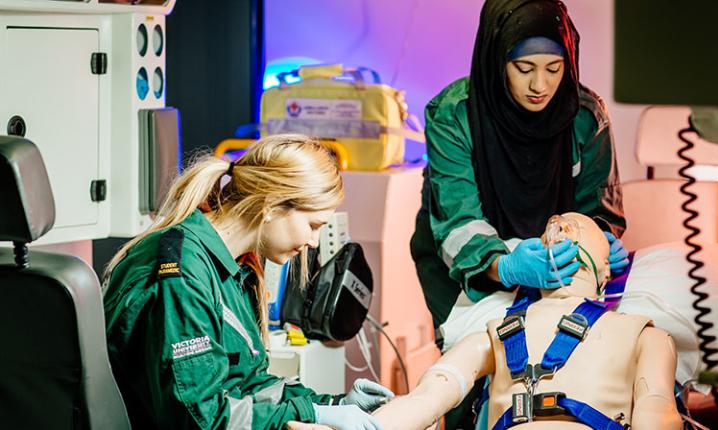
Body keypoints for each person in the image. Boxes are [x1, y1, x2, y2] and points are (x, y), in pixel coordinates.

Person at [102, 134, 393, 430]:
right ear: (271, 205)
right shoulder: (183, 275)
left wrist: (331, 404)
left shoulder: (235, 270)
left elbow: (249, 383)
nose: (313, 241)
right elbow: (201, 419)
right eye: (312, 225)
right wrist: (314, 415)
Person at [410, 0, 628, 332]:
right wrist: (507, 266)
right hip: (465, 277)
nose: (540, 86)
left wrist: (601, 237)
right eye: (524, 68)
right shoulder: (453, 116)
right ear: (497, 61)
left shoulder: (586, 118)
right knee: (480, 370)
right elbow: (459, 223)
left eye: (554, 69)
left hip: (558, 275)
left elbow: (599, 211)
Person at [378, 213, 682, 430]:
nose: (558, 226)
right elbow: (426, 400)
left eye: (576, 225)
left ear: (605, 269)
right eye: (550, 228)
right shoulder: (494, 333)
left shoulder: (642, 335)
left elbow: (657, 414)